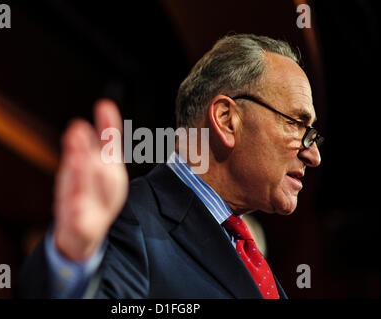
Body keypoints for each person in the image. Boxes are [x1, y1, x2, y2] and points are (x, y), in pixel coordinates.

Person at [17, 33, 323, 299]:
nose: (314, 156)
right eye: (296, 124)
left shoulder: (251, 257)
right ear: (227, 120)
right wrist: (72, 258)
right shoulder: (131, 217)